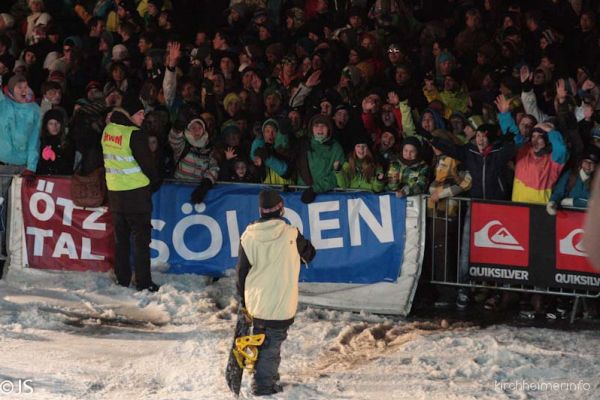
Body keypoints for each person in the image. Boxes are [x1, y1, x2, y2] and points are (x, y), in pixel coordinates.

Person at [236, 189, 316, 396]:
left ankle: (268, 376)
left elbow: (241, 272)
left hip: (257, 301)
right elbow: (310, 254)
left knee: (262, 340)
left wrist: (242, 301)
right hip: (281, 302)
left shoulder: (248, 236)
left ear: (260, 210)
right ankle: (263, 386)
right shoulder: (291, 234)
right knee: (271, 345)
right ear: (281, 208)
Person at [101, 95, 161, 292]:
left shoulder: (108, 130)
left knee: (121, 241)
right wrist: (154, 183)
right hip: (137, 196)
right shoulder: (134, 134)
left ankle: (123, 278)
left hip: (116, 195)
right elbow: (148, 165)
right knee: (141, 242)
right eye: (140, 114)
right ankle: (143, 282)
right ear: (130, 114)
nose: (143, 118)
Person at [0, 74, 41, 276]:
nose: (24, 89)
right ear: (10, 89)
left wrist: (31, 166)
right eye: (19, 86)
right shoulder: (2, 104)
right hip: (1, 166)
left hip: (21, 168)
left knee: (14, 214)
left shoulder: (34, 110)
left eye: (26, 85)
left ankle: (12, 258)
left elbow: (35, 140)